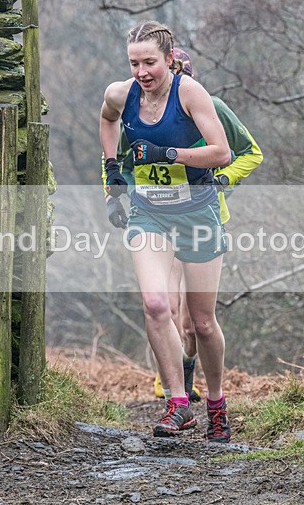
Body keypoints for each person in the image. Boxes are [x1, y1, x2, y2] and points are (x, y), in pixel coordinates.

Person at [104, 49, 264, 402]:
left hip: (203, 215)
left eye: (180, 75)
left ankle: (190, 366)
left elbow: (249, 153)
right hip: (155, 216)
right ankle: (174, 389)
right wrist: (112, 192)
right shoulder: (139, 104)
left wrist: (222, 181)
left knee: (196, 322)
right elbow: (117, 150)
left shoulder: (209, 105)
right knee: (164, 305)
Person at [100, 20, 232, 442]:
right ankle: (178, 404)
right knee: (156, 305)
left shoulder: (190, 93)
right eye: (135, 63)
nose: (142, 72)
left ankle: (215, 403)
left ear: (170, 60)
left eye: (150, 62)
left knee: (202, 322)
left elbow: (223, 153)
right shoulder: (121, 94)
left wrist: (166, 153)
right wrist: (111, 170)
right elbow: (106, 120)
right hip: (149, 213)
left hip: (196, 212)